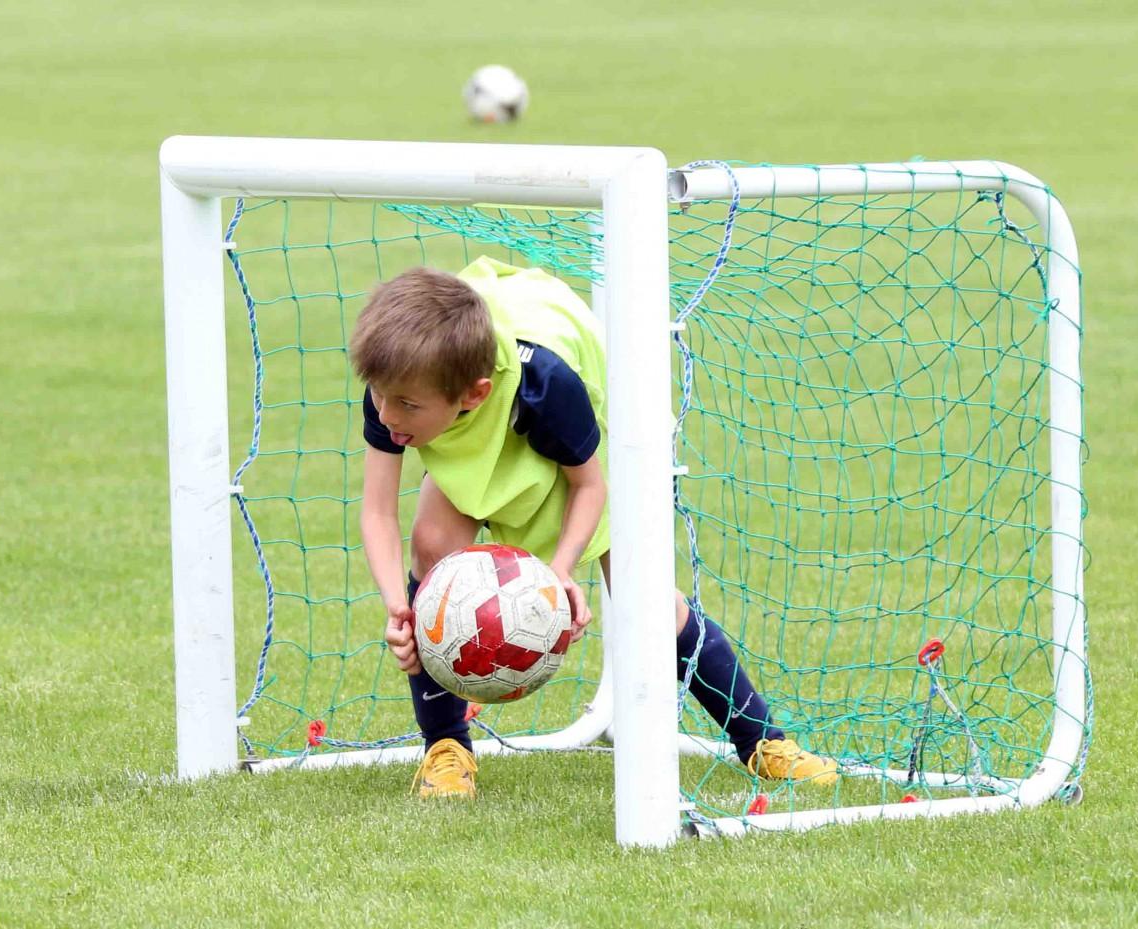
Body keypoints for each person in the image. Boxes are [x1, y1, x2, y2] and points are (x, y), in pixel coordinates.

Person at [349, 256, 838, 798]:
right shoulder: (396, 385)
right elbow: (378, 510)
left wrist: (557, 573)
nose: (386, 414)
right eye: (379, 396)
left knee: (645, 598)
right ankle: (446, 748)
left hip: (578, 445)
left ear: (474, 393)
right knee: (432, 545)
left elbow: (588, 486)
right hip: (476, 437)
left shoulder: (547, 386)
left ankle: (761, 740)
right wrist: (400, 608)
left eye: (405, 404)